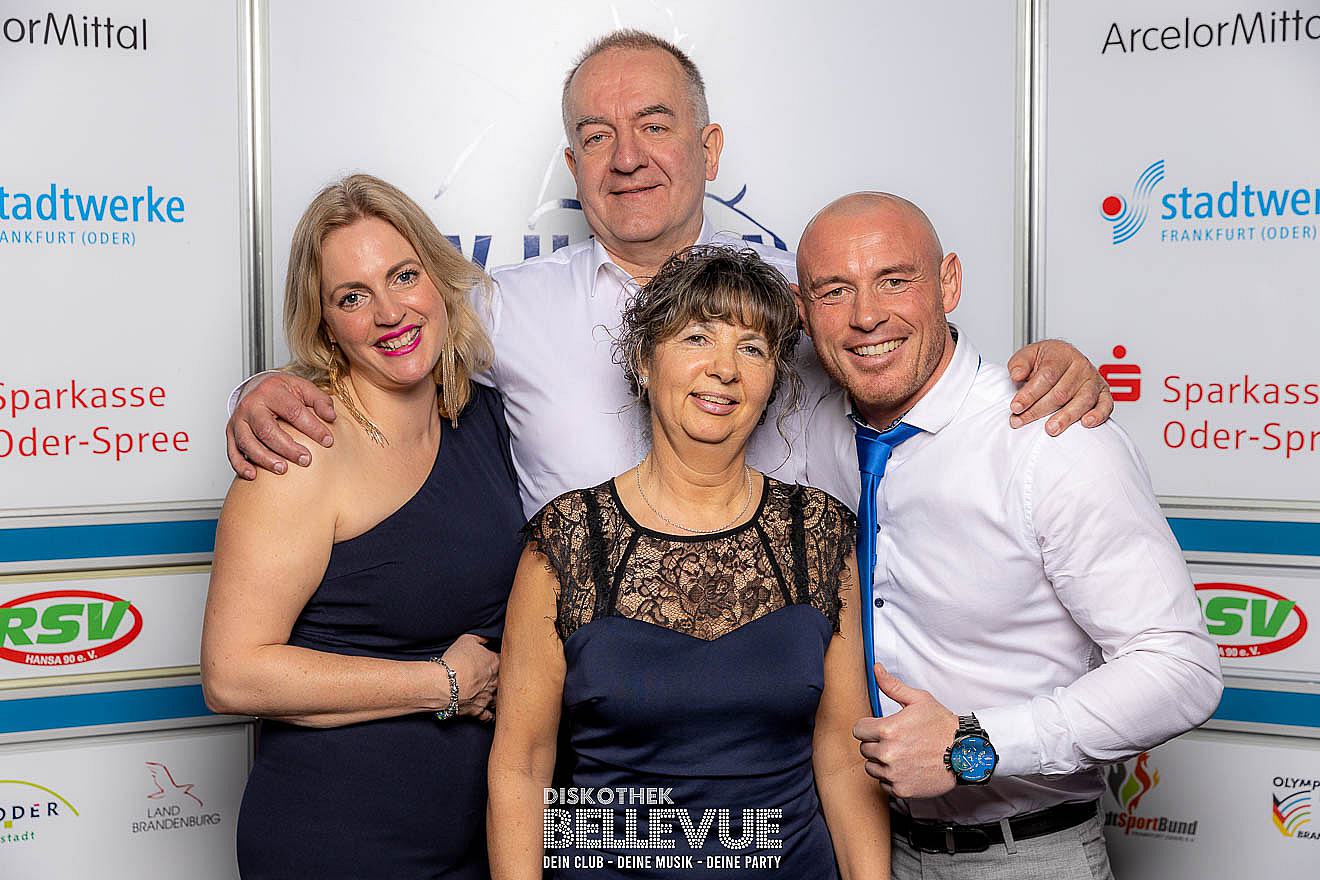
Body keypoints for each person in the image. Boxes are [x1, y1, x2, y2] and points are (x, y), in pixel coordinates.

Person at [223, 30, 1115, 514]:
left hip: (790, 691)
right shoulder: (506, 309)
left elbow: (923, 366)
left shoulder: (803, 298)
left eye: (654, 126)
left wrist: (1049, 368)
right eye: (597, 137)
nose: (627, 158)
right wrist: (263, 389)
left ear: (709, 148)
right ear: (573, 168)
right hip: (589, 707)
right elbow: (385, 342)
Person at [794, 192, 1223, 880]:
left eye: (894, 280)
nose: (866, 315)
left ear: (949, 284)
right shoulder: (804, 433)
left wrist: (975, 745)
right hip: (865, 847)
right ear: (802, 308)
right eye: (834, 290)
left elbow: (1181, 668)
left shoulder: (1052, 440)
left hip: (1026, 855)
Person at [488, 245, 889, 879]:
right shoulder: (569, 540)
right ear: (644, 362)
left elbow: (842, 756)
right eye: (697, 337)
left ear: (773, 380)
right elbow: (521, 765)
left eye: (752, 348)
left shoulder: (816, 533)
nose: (724, 369)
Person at [200, 175, 524, 879]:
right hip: (337, 840)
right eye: (352, 296)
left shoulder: (485, 419)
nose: (389, 312)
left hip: (477, 836)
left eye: (404, 276)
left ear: (439, 279)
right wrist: (440, 683)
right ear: (324, 323)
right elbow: (234, 674)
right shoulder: (300, 449)